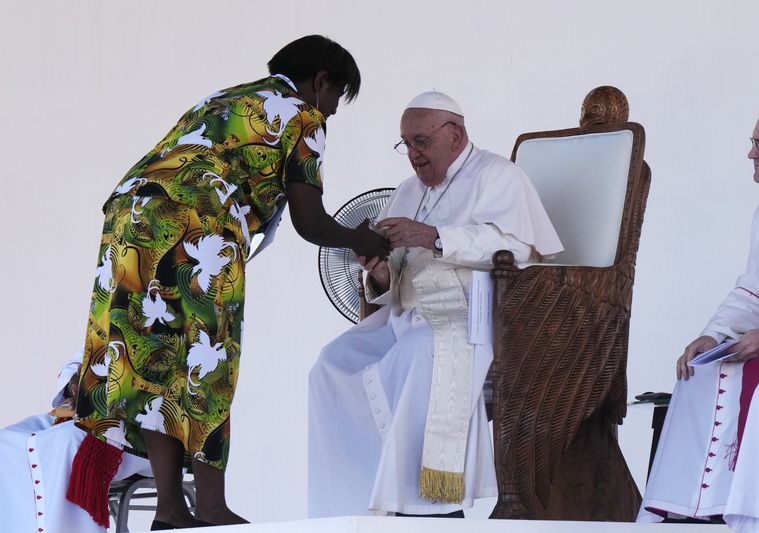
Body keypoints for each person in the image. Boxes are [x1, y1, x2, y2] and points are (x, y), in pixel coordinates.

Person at [69, 34, 390, 531]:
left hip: (129, 220)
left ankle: (171, 509)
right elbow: (310, 221)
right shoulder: (302, 115)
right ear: (320, 81)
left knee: (154, 357)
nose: (332, 111)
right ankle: (213, 508)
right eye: (336, 98)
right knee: (206, 357)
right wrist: (362, 238)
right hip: (197, 224)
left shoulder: (223, 100)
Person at [308, 91, 563, 517]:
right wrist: (378, 270)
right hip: (407, 315)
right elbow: (396, 275)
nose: (412, 154)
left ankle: (423, 506)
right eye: (405, 143)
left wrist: (432, 235)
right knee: (331, 363)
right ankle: (352, 500)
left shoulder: (497, 176)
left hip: (472, 317)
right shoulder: (408, 190)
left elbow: (516, 248)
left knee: (414, 355)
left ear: (456, 136)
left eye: (421, 142)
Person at [637, 99, 759, 533]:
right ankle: (690, 511)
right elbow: (753, 288)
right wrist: (714, 335)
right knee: (700, 374)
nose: (751, 153)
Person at [2, 354, 152, 533]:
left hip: (136, 423)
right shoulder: (100, 325)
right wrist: (75, 384)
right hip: (86, 407)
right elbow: (79, 360)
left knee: (69, 439)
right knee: (7, 440)